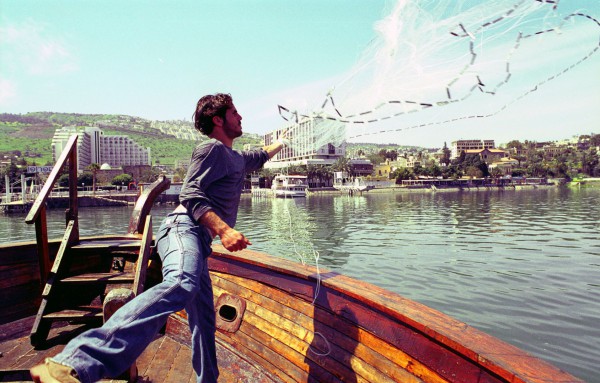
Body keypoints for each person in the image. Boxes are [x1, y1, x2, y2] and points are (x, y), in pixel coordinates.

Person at [31, 93, 288, 383]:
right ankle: (74, 363)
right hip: (182, 228)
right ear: (218, 119)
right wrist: (224, 229)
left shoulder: (237, 159)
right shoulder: (212, 149)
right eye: (235, 113)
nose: (241, 117)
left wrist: (284, 138)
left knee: (204, 321)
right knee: (181, 283)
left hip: (199, 242)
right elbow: (189, 193)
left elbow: (263, 154)